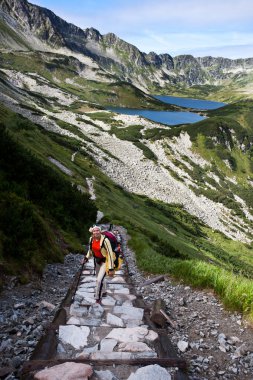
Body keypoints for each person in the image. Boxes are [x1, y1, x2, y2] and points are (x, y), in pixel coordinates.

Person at [82, 225, 115, 304]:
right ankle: (104, 291)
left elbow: (110, 254)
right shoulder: (91, 239)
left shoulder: (105, 240)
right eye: (94, 231)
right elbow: (90, 251)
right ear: (92, 232)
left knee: (99, 280)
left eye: (97, 230)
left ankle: (98, 298)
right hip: (97, 261)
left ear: (100, 232)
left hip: (105, 262)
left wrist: (111, 268)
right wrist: (86, 258)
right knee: (99, 278)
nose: (96, 232)